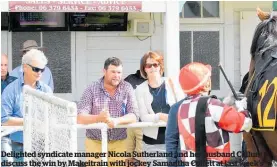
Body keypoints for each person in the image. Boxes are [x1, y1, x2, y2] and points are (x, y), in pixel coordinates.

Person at [165, 62, 252, 167]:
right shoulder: (213, 105)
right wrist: (242, 107)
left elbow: (203, 118)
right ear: (206, 83)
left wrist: (224, 105)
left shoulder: (181, 108)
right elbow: (245, 124)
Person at [77, 57, 138, 167]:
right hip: (95, 141)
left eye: (119, 72)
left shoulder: (127, 87)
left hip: (119, 142)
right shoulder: (92, 88)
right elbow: (80, 117)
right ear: (104, 71)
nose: (117, 75)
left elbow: (134, 115)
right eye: (113, 72)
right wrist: (98, 118)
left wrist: (116, 121)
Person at [1, 49, 52, 164]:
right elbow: (3, 119)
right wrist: (29, 121)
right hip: (18, 144)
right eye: (36, 69)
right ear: (25, 67)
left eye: (42, 69)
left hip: (40, 143)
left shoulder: (46, 90)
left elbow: (51, 115)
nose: (39, 72)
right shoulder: (11, 90)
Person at [135, 51, 185, 166]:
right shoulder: (140, 89)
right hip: (153, 142)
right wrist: (161, 116)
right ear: (144, 69)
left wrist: (172, 118)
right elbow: (143, 117)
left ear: (160, 66)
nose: (152, 68)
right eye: (148, 65)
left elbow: (183, 107)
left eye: (155, 64)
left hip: (175, 140)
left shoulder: (172, 83)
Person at [124, 68, 146, 166]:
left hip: (144, 125)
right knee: (127, 156)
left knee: (142, 157)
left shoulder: (153, 80)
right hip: (130, 124)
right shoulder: (130, 79)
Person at [1, 53, 17, 166]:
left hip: (12, 129)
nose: (3, 68)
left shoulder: (14, 82)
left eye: (5, 65)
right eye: (0, 65)